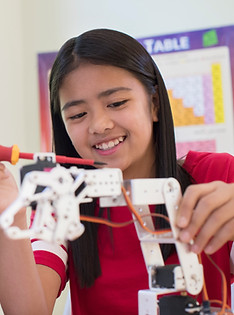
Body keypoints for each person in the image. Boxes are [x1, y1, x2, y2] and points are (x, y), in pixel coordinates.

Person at [0, 28, 234, 315]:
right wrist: (8, 212)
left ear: (155, 104)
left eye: (117, 103)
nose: (99, 125)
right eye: (77, 115)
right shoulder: (60, 202)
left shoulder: (216, 175)